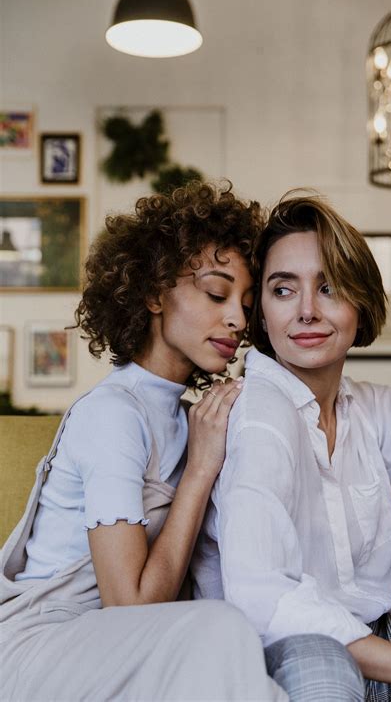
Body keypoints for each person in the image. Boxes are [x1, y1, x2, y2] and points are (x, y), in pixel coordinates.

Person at [0, 182, 287, 702]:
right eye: (217, 294)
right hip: (41, 648)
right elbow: (130, 607)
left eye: (246, 304)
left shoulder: (189, 418)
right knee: (220, 631)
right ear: (154, 293)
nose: (238, 321)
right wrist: (199, 472)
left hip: (124, 647)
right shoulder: (112, 415)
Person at [192, 191, 391, 701]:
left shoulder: (367, 408)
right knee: (322, 662)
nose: (306, 311)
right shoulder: (258, 417)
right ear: (261, 315)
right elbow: (261, 600)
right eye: (283, 290)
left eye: (328, 287)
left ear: (359, 302)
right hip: (295, 659)